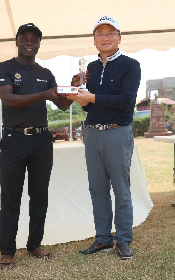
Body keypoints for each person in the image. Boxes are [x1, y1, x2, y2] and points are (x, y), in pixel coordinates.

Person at [0, 23, 72, 268]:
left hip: (41, 141)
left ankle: (34, 244)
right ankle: (7, 251)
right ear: (17, 41)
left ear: (39, 44)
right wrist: (44, 95)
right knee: (10, 198)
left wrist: (73, 84)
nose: (30, 42)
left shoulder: (45, 73)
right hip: (14, 140)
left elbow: (63, 105)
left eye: (34, 39)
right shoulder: (4, 68)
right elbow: (8, 99)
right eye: (25, 38)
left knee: (39, 196)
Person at [68, 15, 141, 259]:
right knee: (97, 188)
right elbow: (90, 108)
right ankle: (103, 238)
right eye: (100, 33)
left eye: (111, 33)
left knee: (121, 189)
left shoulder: (130, 65)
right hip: (92, 133)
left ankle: (122, 239)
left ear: (119, 38)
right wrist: (78, 93)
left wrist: (92, 98)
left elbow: (125, 103)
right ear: (94, 40)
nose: (105, 37)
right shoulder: (92, 68)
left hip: (117, 132)